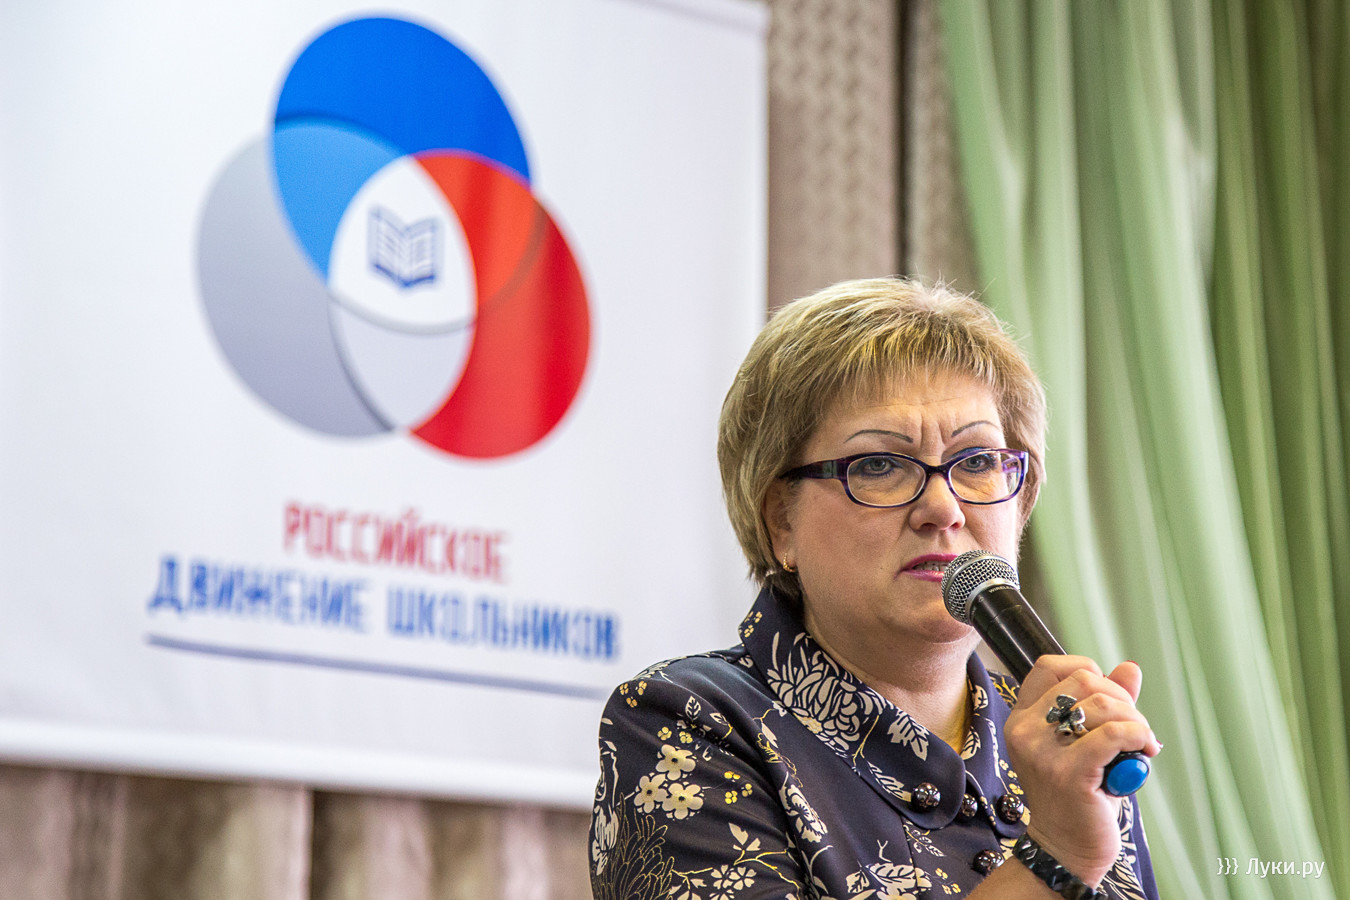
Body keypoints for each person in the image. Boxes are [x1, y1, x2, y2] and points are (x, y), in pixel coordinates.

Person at [589, 278, 1161, 899]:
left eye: (976, 462)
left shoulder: (1065, 740)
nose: (943, 508)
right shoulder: (689, 720)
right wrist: (1056, 854)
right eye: (880, 465)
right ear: (781, 521)